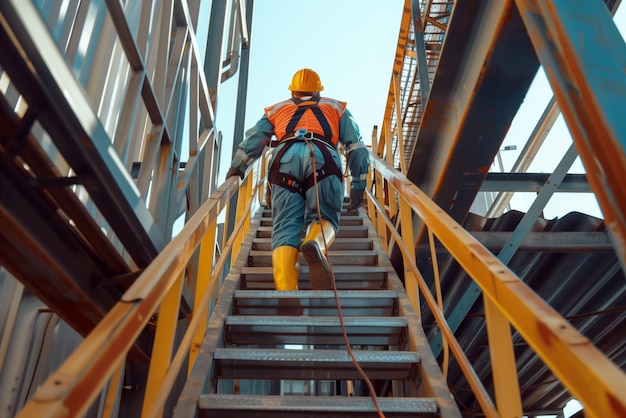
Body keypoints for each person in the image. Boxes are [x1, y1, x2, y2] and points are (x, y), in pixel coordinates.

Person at [226, 68, 369, 291]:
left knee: (284, 227)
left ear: (293, 90)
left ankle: (286, 292)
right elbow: (356, 146)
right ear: (318, 90)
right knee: (326, 215)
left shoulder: (275, 110)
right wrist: (359, 184)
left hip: (284, 161)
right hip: (324, 159)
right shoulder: (337, 108)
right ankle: (316, 243)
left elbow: (255, 139)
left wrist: (237, 168)